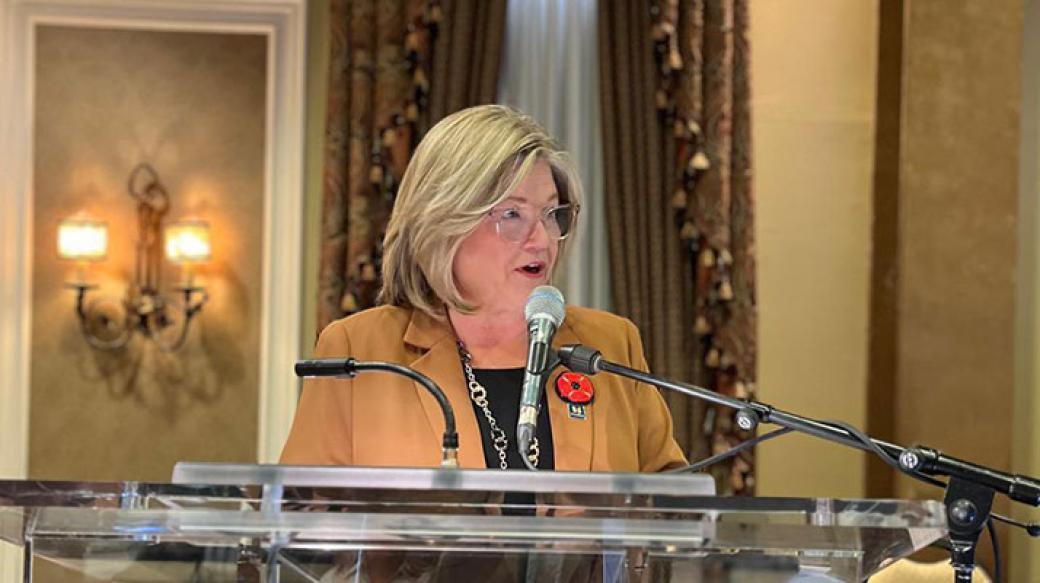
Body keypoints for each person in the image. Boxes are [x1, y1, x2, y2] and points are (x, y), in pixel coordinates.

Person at [281, 104, 685, 474]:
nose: (542, 240)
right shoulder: (360, 350)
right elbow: (304, 519)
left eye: (551, 215)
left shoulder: (611, 344)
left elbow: (673, 507)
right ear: (443, 223)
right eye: (512, 214)